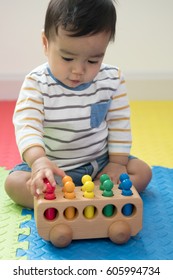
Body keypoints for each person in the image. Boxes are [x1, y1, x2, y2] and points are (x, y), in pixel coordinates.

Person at [5, 0, 152, 209]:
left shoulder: (112, 79)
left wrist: (117, 163)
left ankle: (75, 199)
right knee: (14, 183)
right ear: (45, 43)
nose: (78, 70)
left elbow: (119, 123)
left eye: (93, 61)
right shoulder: (37, 83)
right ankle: (88, 199)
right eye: (67, 58)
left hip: (99, 165)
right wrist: (38, 162)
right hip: (53, 168)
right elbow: (27, 126)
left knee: (143, 172)